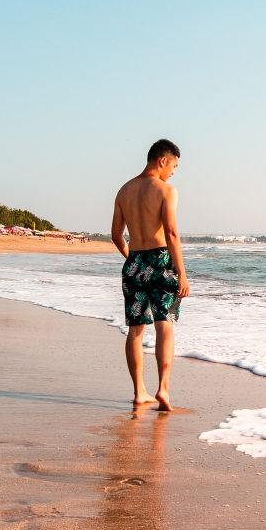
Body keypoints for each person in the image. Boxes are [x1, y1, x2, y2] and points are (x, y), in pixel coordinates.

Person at [110, 140, 190, 409]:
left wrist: (133, 260)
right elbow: (171, 233)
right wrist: (182, 273)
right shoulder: (166, 190)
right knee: (164, 325)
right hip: (160, 259)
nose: (174, 172)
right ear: (162, 161)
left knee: (135, 331)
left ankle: (139, 392)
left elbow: (116, 236)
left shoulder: (124, 191)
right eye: (174, 165)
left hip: (134, 261)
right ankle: (163, 389)